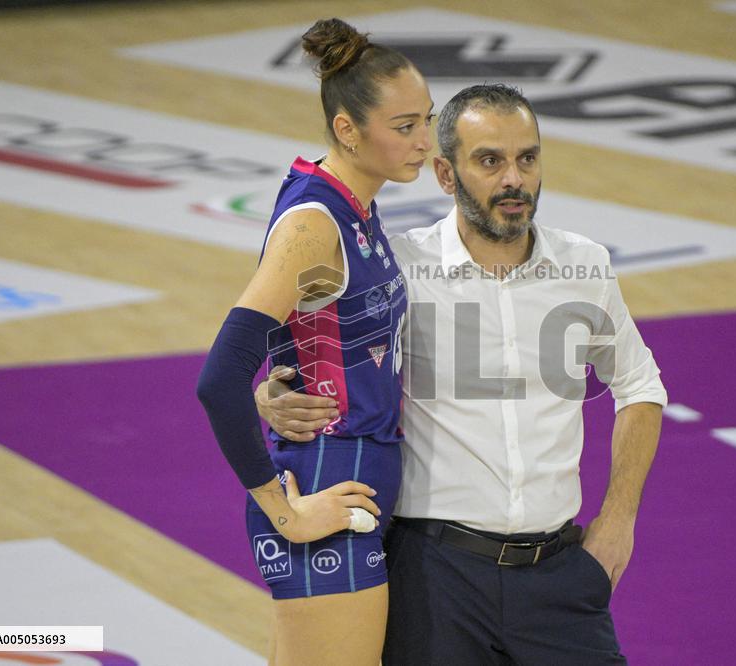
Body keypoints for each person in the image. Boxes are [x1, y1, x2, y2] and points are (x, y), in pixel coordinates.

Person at [257, 84, 666, 665]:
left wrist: (619, 520)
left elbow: (640, 387)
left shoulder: (585, 267)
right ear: (446, 175)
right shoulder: (399, 269)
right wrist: (271, 394)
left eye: (527, 157)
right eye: (490, 161)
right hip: (436, 578)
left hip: (560, 575)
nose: (514, 180)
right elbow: (312, 360)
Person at [195, 17, 433, 666]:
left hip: (356, 483)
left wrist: (282, 380)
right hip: (329, 489)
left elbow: (306, 330)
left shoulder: (355, 201)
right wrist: (286, 513)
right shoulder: (314, 223)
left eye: (428, 120)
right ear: (347, 129)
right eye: (404, 126)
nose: (424, 142)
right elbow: (219, 381)